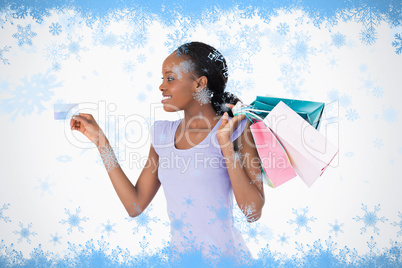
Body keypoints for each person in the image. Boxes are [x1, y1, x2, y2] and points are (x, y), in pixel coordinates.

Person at [70, 42, 265, 263]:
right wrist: (100, 142)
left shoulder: (238, 129)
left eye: (170, 78)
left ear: (199, 84)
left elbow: (253, 213)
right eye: (162, 79)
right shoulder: (162, 135)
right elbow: (135, 206)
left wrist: (225, 145)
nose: (161, 86)